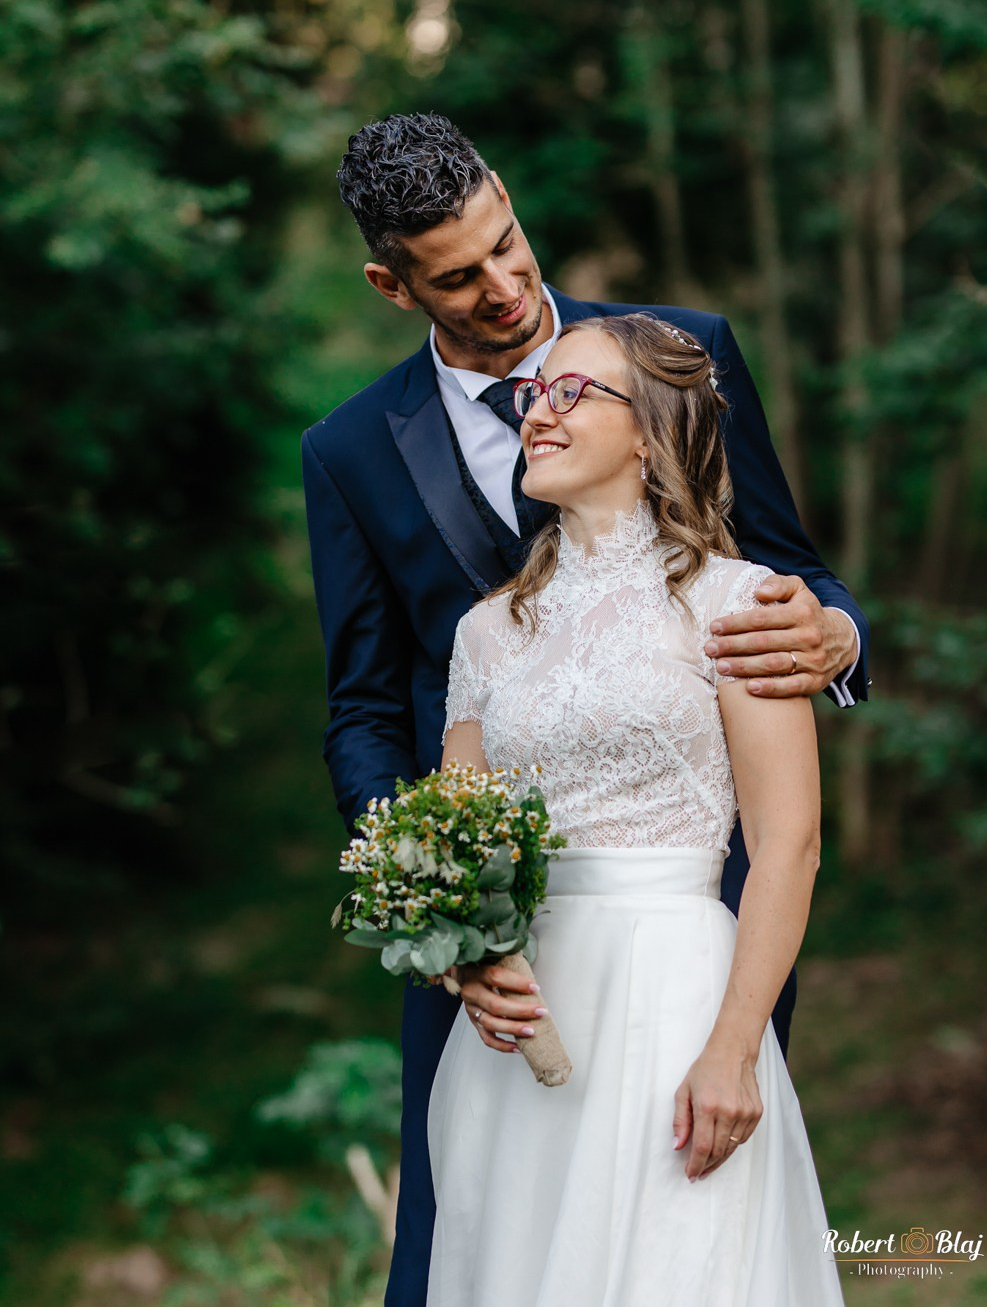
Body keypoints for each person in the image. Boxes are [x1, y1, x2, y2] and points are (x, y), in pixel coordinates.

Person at [302, 112, 868, 1307]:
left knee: (679, 1245)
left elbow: (786, 569)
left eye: (506, 244)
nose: (506, 286)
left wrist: (835, 633)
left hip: (685, 929)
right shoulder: (349, 451)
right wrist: (442, 911)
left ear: (509, 197)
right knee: (463, 1252)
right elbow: (363, 708)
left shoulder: (677, 355)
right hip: (493, 945)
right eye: (458, 276)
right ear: (392, 286)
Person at [428, 314, 844, 1306]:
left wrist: (733, 1048)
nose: (538, 412)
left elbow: (787, 844)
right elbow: (453, 843)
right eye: (535, 394)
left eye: (573, 392)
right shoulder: (485, 632)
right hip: (524, 1023)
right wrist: (466, 959)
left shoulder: (738, 604)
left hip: (672, 996)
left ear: (652, 435)